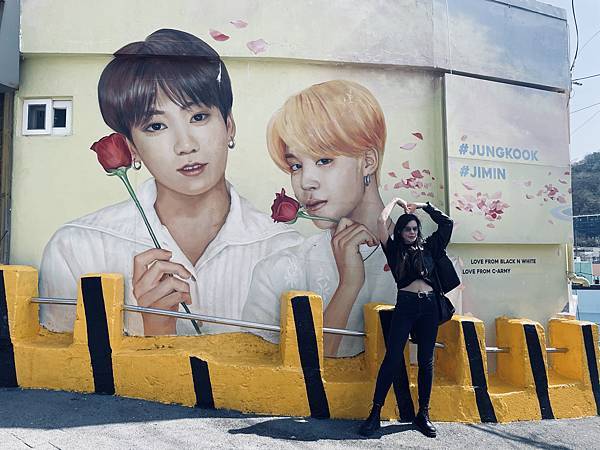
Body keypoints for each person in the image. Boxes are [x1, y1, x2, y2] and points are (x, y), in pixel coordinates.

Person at [39, 29, 302, 336]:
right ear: (132, 148)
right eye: (156, 126)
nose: (185, 145)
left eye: (199, 117)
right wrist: (156, 332)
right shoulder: (78, 249)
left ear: (229, 125)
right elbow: (59, 366)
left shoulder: (285, 249)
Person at [242, 80, 398, 357]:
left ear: (368, 161)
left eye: (324, 160)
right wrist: (348, 286)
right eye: (296, 165)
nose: (305, 182)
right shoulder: (278, 271)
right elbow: (262, 373)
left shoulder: (429, 265)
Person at [358, 198, 454, 438]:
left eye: (414, 229)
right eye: (407, 229)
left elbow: (447, 223)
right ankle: (375, 413)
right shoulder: (394, 250)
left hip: (430, 307)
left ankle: (423, 414)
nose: (411, 232)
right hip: (406, 306)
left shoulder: (430, 247)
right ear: (400, 232)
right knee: (392, 358)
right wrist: (396, 201)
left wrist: (423, 206)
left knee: (425, 361)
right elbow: (381, 221)